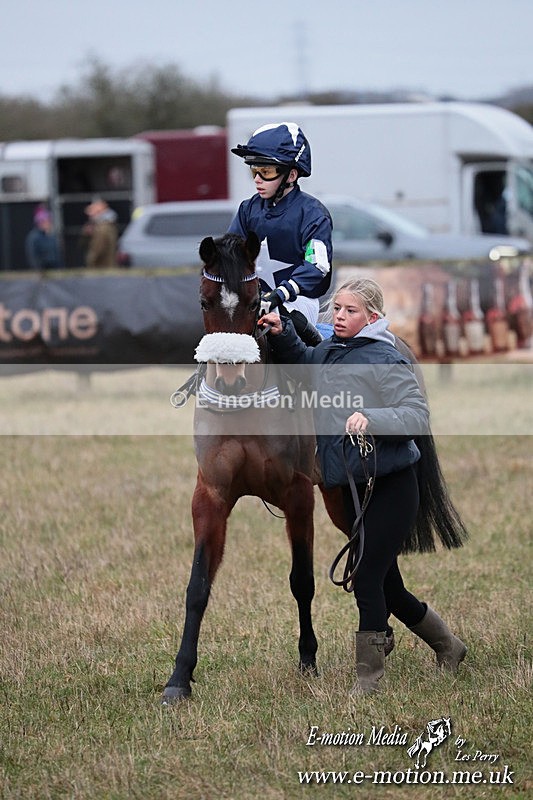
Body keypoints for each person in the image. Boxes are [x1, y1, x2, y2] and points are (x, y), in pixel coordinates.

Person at [260, 277, 467, 695]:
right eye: (336, 308)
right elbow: (304, 360)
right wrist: (282, 334)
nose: (339, 316)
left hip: (392, 487)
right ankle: (449, 645)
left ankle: (368, 679)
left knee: (368, 578)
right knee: (389, 585)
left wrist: (372, 417)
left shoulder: (384, 357)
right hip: (356, 488)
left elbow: (415, 414)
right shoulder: (331, 350)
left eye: (350, 311)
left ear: (372, 317)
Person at [228, 122, 333, 346]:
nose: (257, 179)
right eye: (254, 171)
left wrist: (281, 293)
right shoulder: (247, 209)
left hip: (298, 300)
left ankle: (315, 362)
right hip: (254, 299)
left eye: (265, 172)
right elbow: (231, 254)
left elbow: (318, 266)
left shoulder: (313, 213)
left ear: (291, 175)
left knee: (279, 322)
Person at [82, 198, 118, 268]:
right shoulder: (107, 225)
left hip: (102, 266)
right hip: (107, 265)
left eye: (92, 213)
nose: (90, 217)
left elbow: (98, 248)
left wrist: (90, 261)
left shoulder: (102, 228)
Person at [25, 205, 63, 270]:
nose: (49, 223)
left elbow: (56, 256)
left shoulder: (52, 237)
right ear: (40, 222)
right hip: (42, 271)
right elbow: (33, 257)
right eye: (47, 221)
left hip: (54, 271)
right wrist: (39, 270)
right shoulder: (34, 237)